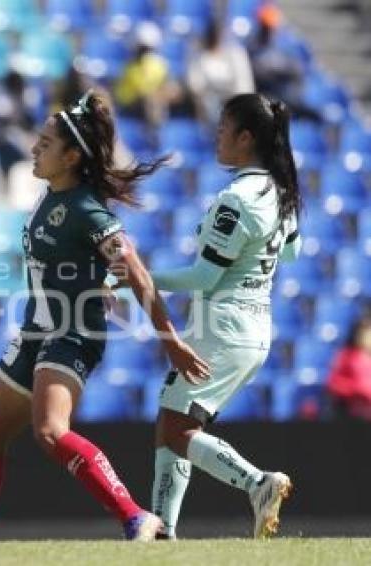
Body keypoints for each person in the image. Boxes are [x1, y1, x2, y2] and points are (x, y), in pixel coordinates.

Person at [0, 91, 209, 542]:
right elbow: (90, 265)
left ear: (70, 156)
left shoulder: (89, 211)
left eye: (45, 143)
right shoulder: (51, 196)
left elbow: (139, 274)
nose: (34, 148)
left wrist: (171, 342)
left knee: (49, 431)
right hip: (36, 330)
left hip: (73, 331)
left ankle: (136, 518)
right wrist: (103, 281)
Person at [127, 93, 302, 540]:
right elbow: (294, 250)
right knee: (177, 422)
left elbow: (204, 277)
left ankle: (257, 483)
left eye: (224, 128)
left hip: (223, 326)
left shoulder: (238, 197)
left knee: (174, 427)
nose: (216, 135)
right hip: (255, 327)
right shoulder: (281, 192)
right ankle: (164, 533)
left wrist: (140, 275)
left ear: (246, 138)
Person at [186, 19, 254, 127]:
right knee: (210, 106)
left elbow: (244, 85)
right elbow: (196, 85)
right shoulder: (199, 55)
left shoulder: (236, 53)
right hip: (211, 101)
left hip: (234, 100)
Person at [327, 317, 371, 420]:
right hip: (356, 413)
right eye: (367, 334)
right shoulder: (347, 357)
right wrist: (357, 389)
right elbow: (335, 383)